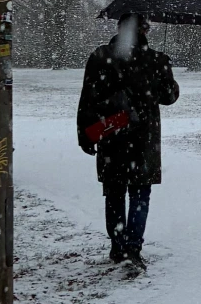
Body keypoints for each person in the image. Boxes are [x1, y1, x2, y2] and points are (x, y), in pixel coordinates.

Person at [76, 14, 179, 273]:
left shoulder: (101, 57)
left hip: (111, 135)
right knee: (140, 193)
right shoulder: (156, 60)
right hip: (143, 139)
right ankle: (133, 247)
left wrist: (85, 135)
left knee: (114, 193)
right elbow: (169, 96)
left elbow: (87, 99)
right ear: (145, 30)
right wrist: (163, 74)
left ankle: (117, 244)